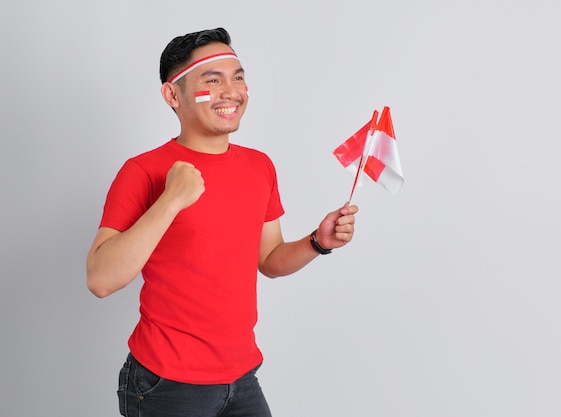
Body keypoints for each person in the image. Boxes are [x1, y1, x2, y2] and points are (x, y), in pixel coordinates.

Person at [86, 27, 358, 417]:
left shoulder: (259, 166)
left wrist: (317, 241)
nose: (231, 91)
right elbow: (100, 279)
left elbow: (270, 259)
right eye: (211, 81)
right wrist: (171, 200)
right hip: (166, 383)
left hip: (241, 377)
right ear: (172, 95)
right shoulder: (142, 171)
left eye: (238, 77)